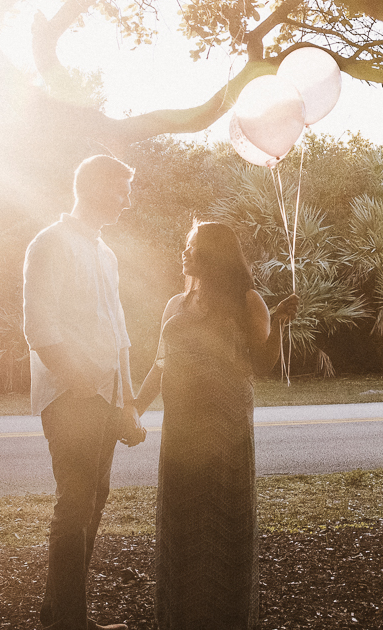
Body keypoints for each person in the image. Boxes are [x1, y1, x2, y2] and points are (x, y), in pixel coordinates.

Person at [132, 221, 298, 630]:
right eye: (186, 244)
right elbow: (160, 363)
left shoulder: (247, 301)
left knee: (223, 525)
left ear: (213, 254)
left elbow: (263, 364)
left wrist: (279, 322)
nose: (184, 251)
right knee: (182, 526)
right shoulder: (176, 305)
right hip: (181, 431)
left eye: (192, 245)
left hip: (226, 431)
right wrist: (135, 406)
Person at [22, 154, 147, 630]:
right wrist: (79, 383)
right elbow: (39, 326)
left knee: (93, 502)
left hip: (108, 399)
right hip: (70, 399)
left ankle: (60, 615)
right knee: (75, 506)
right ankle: (69, 623)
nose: (127, 201)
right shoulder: (50, 243)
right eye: (121, 190)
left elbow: (119, 335)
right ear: (93, 187)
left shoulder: (105, 253)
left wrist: (127, 403)